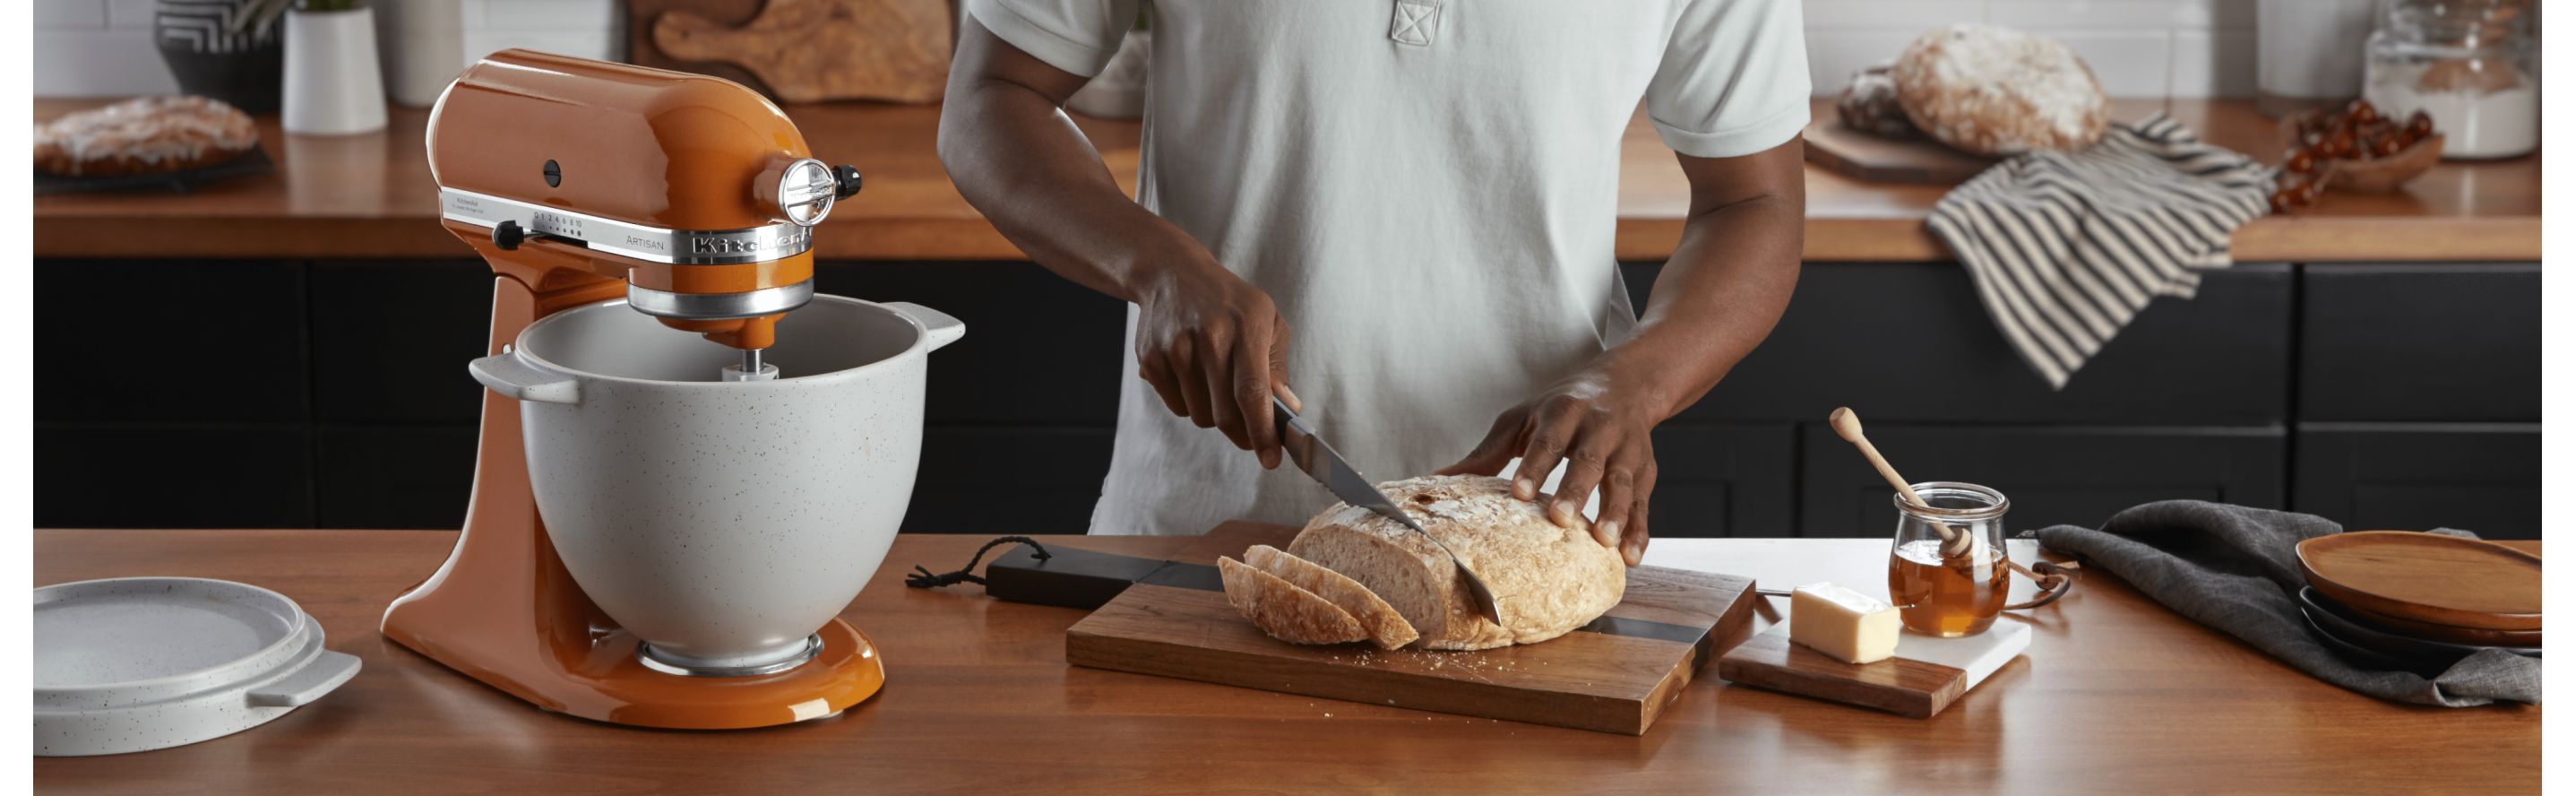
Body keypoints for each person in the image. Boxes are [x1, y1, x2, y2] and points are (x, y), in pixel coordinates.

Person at [939, 0, 1809, 566]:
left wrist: (1635, 380)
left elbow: (1754, 199)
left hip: (1531, 548)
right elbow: (992, 95)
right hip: (1198, 540)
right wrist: (1158, 264)